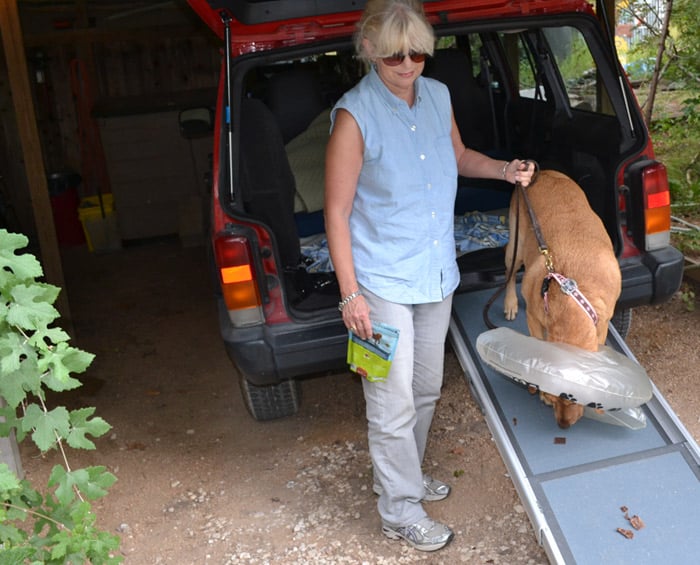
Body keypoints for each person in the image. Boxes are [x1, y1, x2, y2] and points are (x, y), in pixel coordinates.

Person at [324, 0, 534, 552]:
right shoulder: (354, 116)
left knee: (426, 388)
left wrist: (504, 169)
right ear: (369, 50)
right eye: (395, 55)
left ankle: (405, 479)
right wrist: (351, 295)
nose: (409, 64)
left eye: (418, 52)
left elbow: (460, 156)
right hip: (382, 281)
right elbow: (336, 213)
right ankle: (399, 509)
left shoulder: (438, 96)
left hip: (436, 272)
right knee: (390, 401)